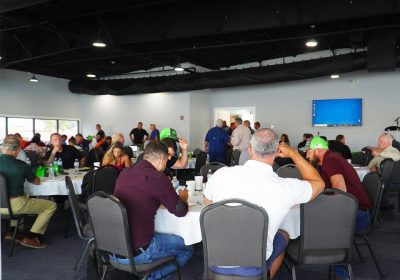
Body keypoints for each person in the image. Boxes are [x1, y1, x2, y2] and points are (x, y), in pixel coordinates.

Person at [204, 129, 325, 278]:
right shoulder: (285, 187)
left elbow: (208, 204)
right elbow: (319, 184)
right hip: (253, 264)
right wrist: (294, 154)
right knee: (284, 234)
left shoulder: (220, 175)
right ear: (276, 153)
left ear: (250, 150)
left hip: (215, 260)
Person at [113, 141, 193, 279]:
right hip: (140, 250)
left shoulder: (124, 174)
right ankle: (155, 277)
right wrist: (183, 198)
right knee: (188, 249)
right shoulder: (158, 178)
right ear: (162, 159)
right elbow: (180, 211)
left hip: (113, 247)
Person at [0, 135, 57, 249]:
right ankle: (31, 237)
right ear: (17, 150)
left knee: (23, 197)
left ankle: (11, 232)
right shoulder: (21, 165)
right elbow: (36, 182)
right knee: (51, 206)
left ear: (2, 148)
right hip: (15, 205)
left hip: (3, 205)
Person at [305, 137, 372, 231]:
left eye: (308, 151)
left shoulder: (330, 160)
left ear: (317, 150)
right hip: (351, 208)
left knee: (308, 216)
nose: (307, 155)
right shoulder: (325, 160)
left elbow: (340, 190)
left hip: (356, 215)